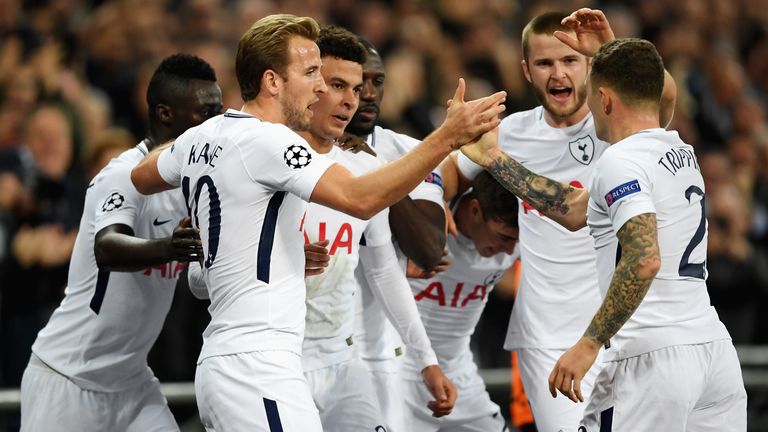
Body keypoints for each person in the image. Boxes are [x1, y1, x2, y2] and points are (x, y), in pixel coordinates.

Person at [129, 14, 505, 432]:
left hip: (245, 359)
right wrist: (446, 138)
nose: (321, 86)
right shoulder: (271, 142)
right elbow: (359, 198)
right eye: (311, 73)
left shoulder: (207, 135)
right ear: (273, 82)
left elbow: (143, 175)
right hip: (259, 365)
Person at [462, 35, 747, 432]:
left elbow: (644, 259)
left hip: (651, 357)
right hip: (712, 350)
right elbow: (574, 209)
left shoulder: (621, 161)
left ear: (605, 98)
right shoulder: (680, 149)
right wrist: (494, 158)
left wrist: (589, 343)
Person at [441, 9, 676, 431]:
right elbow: (449, 172)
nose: (558, 73)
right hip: (546, 336)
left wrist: (611, 48)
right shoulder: (509, 132)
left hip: (623, 325)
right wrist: (437, 205)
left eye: (569, 60)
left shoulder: (616, 126)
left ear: (590, 67)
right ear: (527, 70)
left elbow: (662, 97)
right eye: (545, 63)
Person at [19, 53, 221, 431]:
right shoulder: (123, 174)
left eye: (218, 112)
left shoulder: (195, 186)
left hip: (132, 383)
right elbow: (107, 248)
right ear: (165, 113)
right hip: (67, 378)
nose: (214, 126)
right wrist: (168, 247)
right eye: (203, 113)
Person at [296, 25, 455, 430]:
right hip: (279, 357)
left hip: (351, 357)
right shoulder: (268, 155)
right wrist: (279, 260)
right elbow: (200, 278)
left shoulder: (375, 161)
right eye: (341, 85)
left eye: (369, 84)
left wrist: (427, 361)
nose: (358, 97)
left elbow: (393, 265)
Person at [343, 37, 451, 432]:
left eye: (377, 82)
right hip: (302, 352)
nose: (368, 95)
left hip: (378, 354)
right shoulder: (295, 155)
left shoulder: (408, 152)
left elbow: (427, 250)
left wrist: (380, 172)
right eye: (355, 85)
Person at [403, 170, 518, 431]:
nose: (511, 251)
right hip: (400, 370)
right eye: (504, 237)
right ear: (475, 210)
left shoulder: (516, 237)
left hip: (459, 373)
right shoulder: (421, 220)